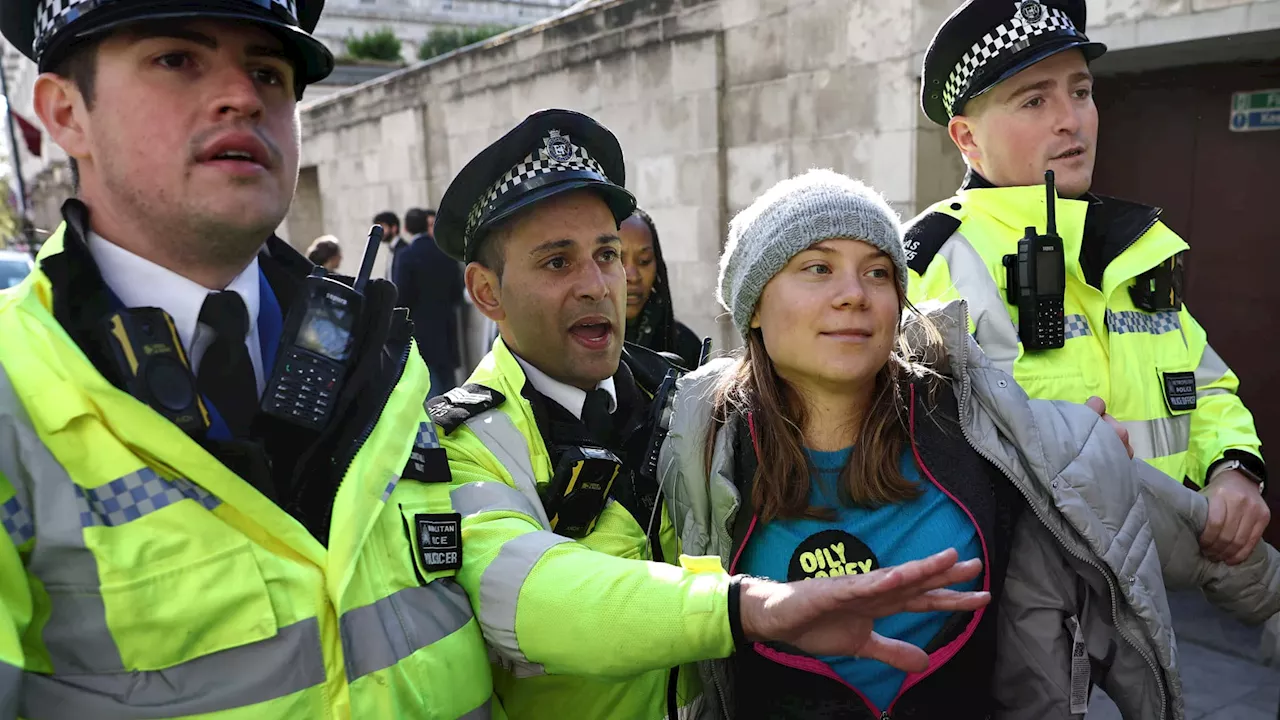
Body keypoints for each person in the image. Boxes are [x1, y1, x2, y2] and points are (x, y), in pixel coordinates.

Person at [0, 0, 496, 717]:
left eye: (268, 71)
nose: (242, 96)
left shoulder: (379, 354)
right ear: (66, 112)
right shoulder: (17, 390)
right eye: (177, 59)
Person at [426, 109, 990, 720]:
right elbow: (532, 593)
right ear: (487, 292)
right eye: (557, 262)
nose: (597, 284)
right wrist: (745, 609)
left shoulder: (692, 404)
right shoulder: (463, 444)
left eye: (609, 254)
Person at [659, 169, 1280, 720]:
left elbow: (1168, 527)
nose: (855, 293)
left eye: (878, 271)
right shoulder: (698, 445)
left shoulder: (984, 428)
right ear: (754, 308)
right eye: (817, 267)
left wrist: (1261, 581)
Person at [906, 0, 1269, 567]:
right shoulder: (927, 263)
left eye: (1080, 91)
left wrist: (1233, 468)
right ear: (967, 138)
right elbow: (897, 452)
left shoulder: (1137, 248)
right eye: (1034, 100)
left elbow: (1205, 382)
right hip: (1016, 591)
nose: (1070, 119)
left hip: (1160, 580)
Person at [620, 208, 703, 368]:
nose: (633, 276)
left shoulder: (685, 345)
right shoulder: (581, 344)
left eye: (644, 261)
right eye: (616, 258)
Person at [395, 206, 464, 396]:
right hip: (446, 330)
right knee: (450, 390)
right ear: (427, 226)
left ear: (407, 229)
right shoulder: (445, 253)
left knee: (431, 393)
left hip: (420, 333)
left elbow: (402, 298)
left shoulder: (406, 256)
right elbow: (457, 293)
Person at [373, 209, 408, 281]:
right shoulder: (392, 250)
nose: (380, 232)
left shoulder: (403, 250)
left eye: (383, 227)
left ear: (394, 228)